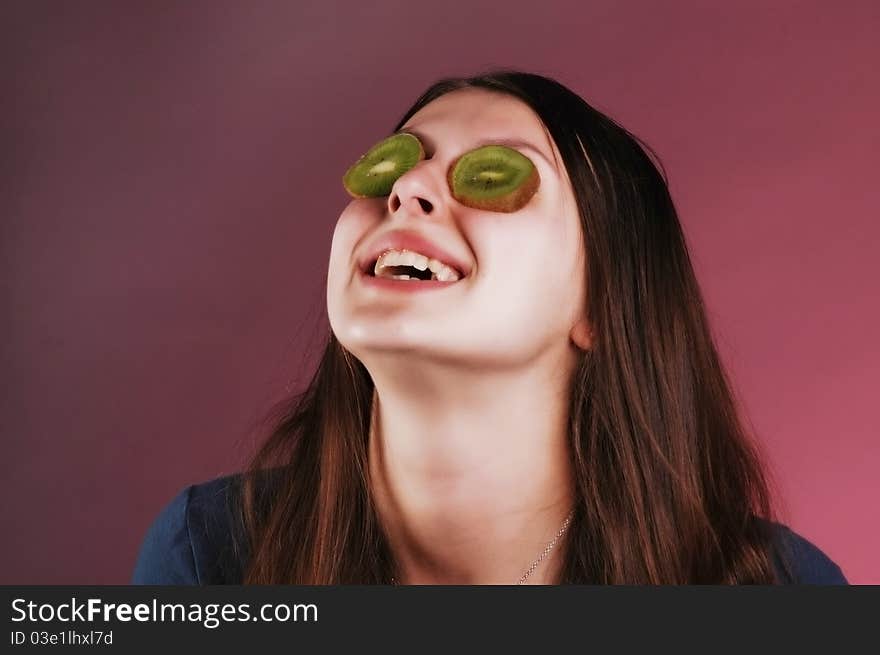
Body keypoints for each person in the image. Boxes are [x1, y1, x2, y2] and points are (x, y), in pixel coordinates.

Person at [132, 70, 847, 585]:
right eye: (398, 165)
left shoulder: (781, 589)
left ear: (600, 302)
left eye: (494, 174)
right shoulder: (209, 557)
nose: (406, 190)